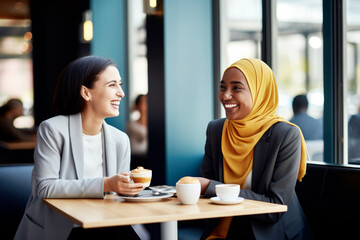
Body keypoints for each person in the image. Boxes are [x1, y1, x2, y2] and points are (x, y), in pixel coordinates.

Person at [15, 56, 144, 240]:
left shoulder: (120, 139)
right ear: (86, 93)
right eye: (112, 85)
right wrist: (107, 184)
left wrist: (128, 188)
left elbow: (117, 194)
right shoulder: (52, 129)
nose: (121, 93)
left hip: (104, 223)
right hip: (63, 228)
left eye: (120, 85)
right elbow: (45, 187)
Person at [198, 58, 313, 239]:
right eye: (223, 87)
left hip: (271, 232)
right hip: (224, 229)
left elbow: (275, 206)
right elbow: (204, 194)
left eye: (236, 88)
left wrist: (211, 187)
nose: (225, 95)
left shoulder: (285, 135)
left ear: (261, 93)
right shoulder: (216, 130)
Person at [126, 94, 148, 169]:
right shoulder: (131, 125)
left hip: (149, 158)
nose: (146, 105)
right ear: (137, 106)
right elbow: (144, 134)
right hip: (136, 159)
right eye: (143, 102)